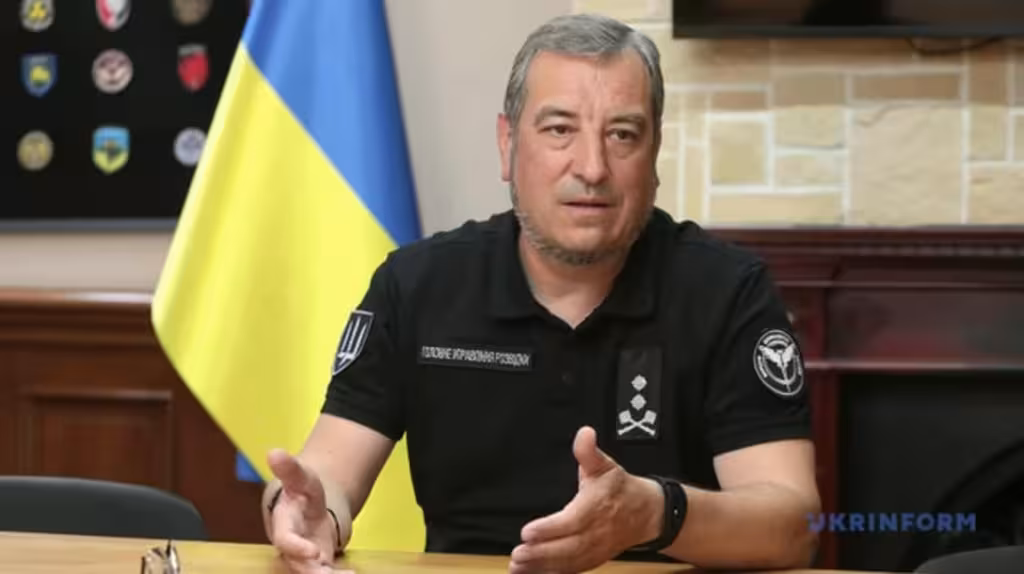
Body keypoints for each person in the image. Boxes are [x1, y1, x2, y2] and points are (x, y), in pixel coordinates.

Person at [260, 13, 821, 574]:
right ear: (507, 143)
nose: (593, 167)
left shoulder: (728, 292)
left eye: (622, 134)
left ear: (654, 154)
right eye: (559, 130)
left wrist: (657, 513)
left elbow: (792, 526)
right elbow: (328, 476)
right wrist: (309, 512)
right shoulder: (417, 286)